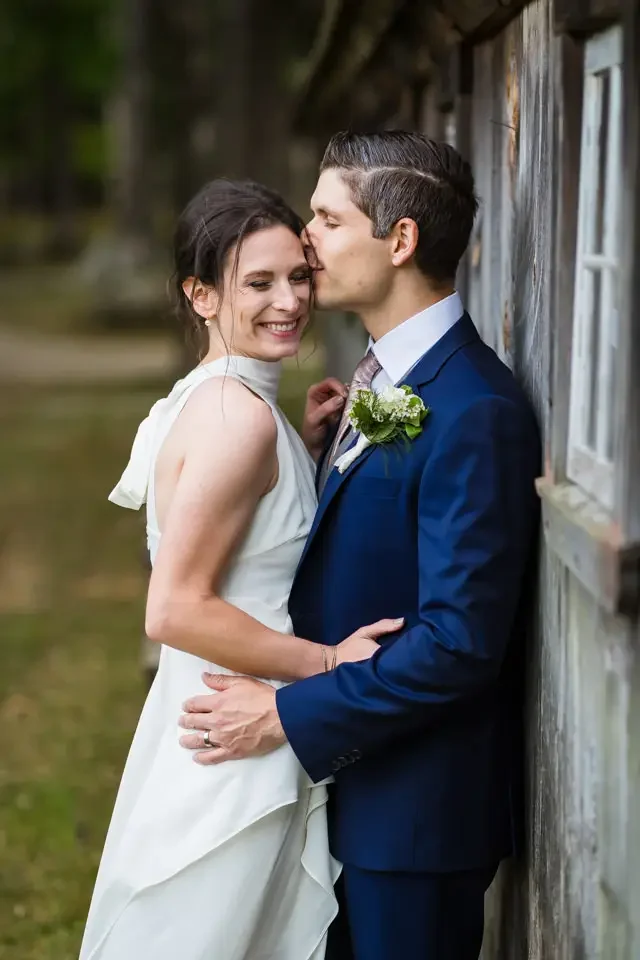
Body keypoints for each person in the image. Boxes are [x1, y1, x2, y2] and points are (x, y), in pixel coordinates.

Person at [179, 132, 541, 960]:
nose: (306, 237)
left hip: (411, 820)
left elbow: (457, 646)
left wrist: (284, 712)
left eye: (328, 218)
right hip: (347, 787)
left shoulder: (474, 406)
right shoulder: (388, 380)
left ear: (400, 240)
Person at [78, 177, 401, 960]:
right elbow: (174, 610)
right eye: (257, 283)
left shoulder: (225, 402)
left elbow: (241, 537)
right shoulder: (235, 419)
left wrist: (305, 454)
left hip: (217, 711)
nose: (288, 300)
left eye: (298, 275)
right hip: (231, 730)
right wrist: (328, 663)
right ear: (201, 296)